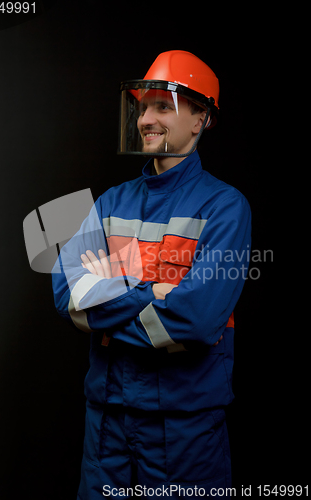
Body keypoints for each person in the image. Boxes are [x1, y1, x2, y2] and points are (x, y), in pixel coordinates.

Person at [52, 50, 252, 499]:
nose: (145, 118)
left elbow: (197, 321)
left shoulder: (225, 207)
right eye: (143, 106)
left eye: (163, 106)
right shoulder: (110, 202)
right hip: (106, 423)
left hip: (185, 427)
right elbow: (66, 294)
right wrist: (153, 291)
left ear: (200, 118)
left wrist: (108, 287)